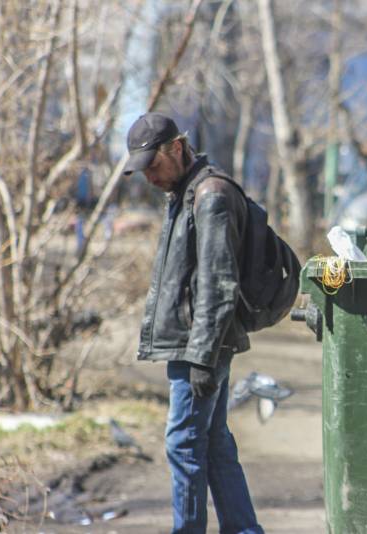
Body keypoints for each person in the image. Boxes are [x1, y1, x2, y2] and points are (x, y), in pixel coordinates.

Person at [123, 112, 263, 534]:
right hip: (197, 343)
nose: (149, 177)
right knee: (215, 445)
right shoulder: (187, 192)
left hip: (199, 346)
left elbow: (219, 283)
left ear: (178, 148)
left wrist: (202, 358)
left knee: (183, 444)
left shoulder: (210, 195)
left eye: (153, 165)